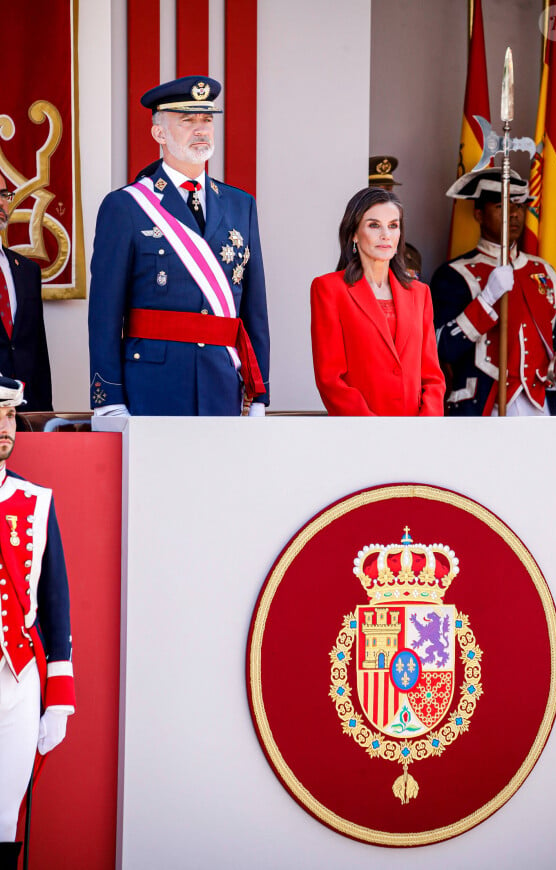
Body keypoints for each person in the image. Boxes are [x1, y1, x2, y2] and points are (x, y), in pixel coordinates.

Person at [88, 75, 269, 417]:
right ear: (159, 133)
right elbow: (104, 314)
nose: (201, 129)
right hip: (153, 382)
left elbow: (254, 307)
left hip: (222, 381)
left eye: (206, 119)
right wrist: (108, 398)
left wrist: (259, 392)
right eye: (187, 120)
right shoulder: (126, 206)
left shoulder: (239, 204)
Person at [0, 375, 74, 867]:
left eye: (8, 415)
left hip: (18, 676)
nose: (5, 427)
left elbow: (56, 601)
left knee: (6, 815)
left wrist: (60, 700)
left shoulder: (36, 501)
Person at [431, 167, 556, 416]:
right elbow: (441, 347)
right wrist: (486, 299)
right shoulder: (454, 275)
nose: (515, 215)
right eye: (502, 206)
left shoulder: (543, 272)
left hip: (542, 406)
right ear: (478, 214)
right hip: (484, 407)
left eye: (519, 206)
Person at [310, 187, 445, 416]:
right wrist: (373, 431)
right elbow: (330, 379)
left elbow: (432, 376)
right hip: (360, 436)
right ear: (353, 232)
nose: (386, 235)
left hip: (416, 435)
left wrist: (426, 426)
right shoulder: (329, 289)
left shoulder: (420, 293)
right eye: (374, 225)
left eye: (393, 225)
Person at [0, 176, 53, 411]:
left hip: (26, 409)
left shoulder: (27, 270)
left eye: (3, 195)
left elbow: (38, 351)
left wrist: (45, 414)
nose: (1, 203)